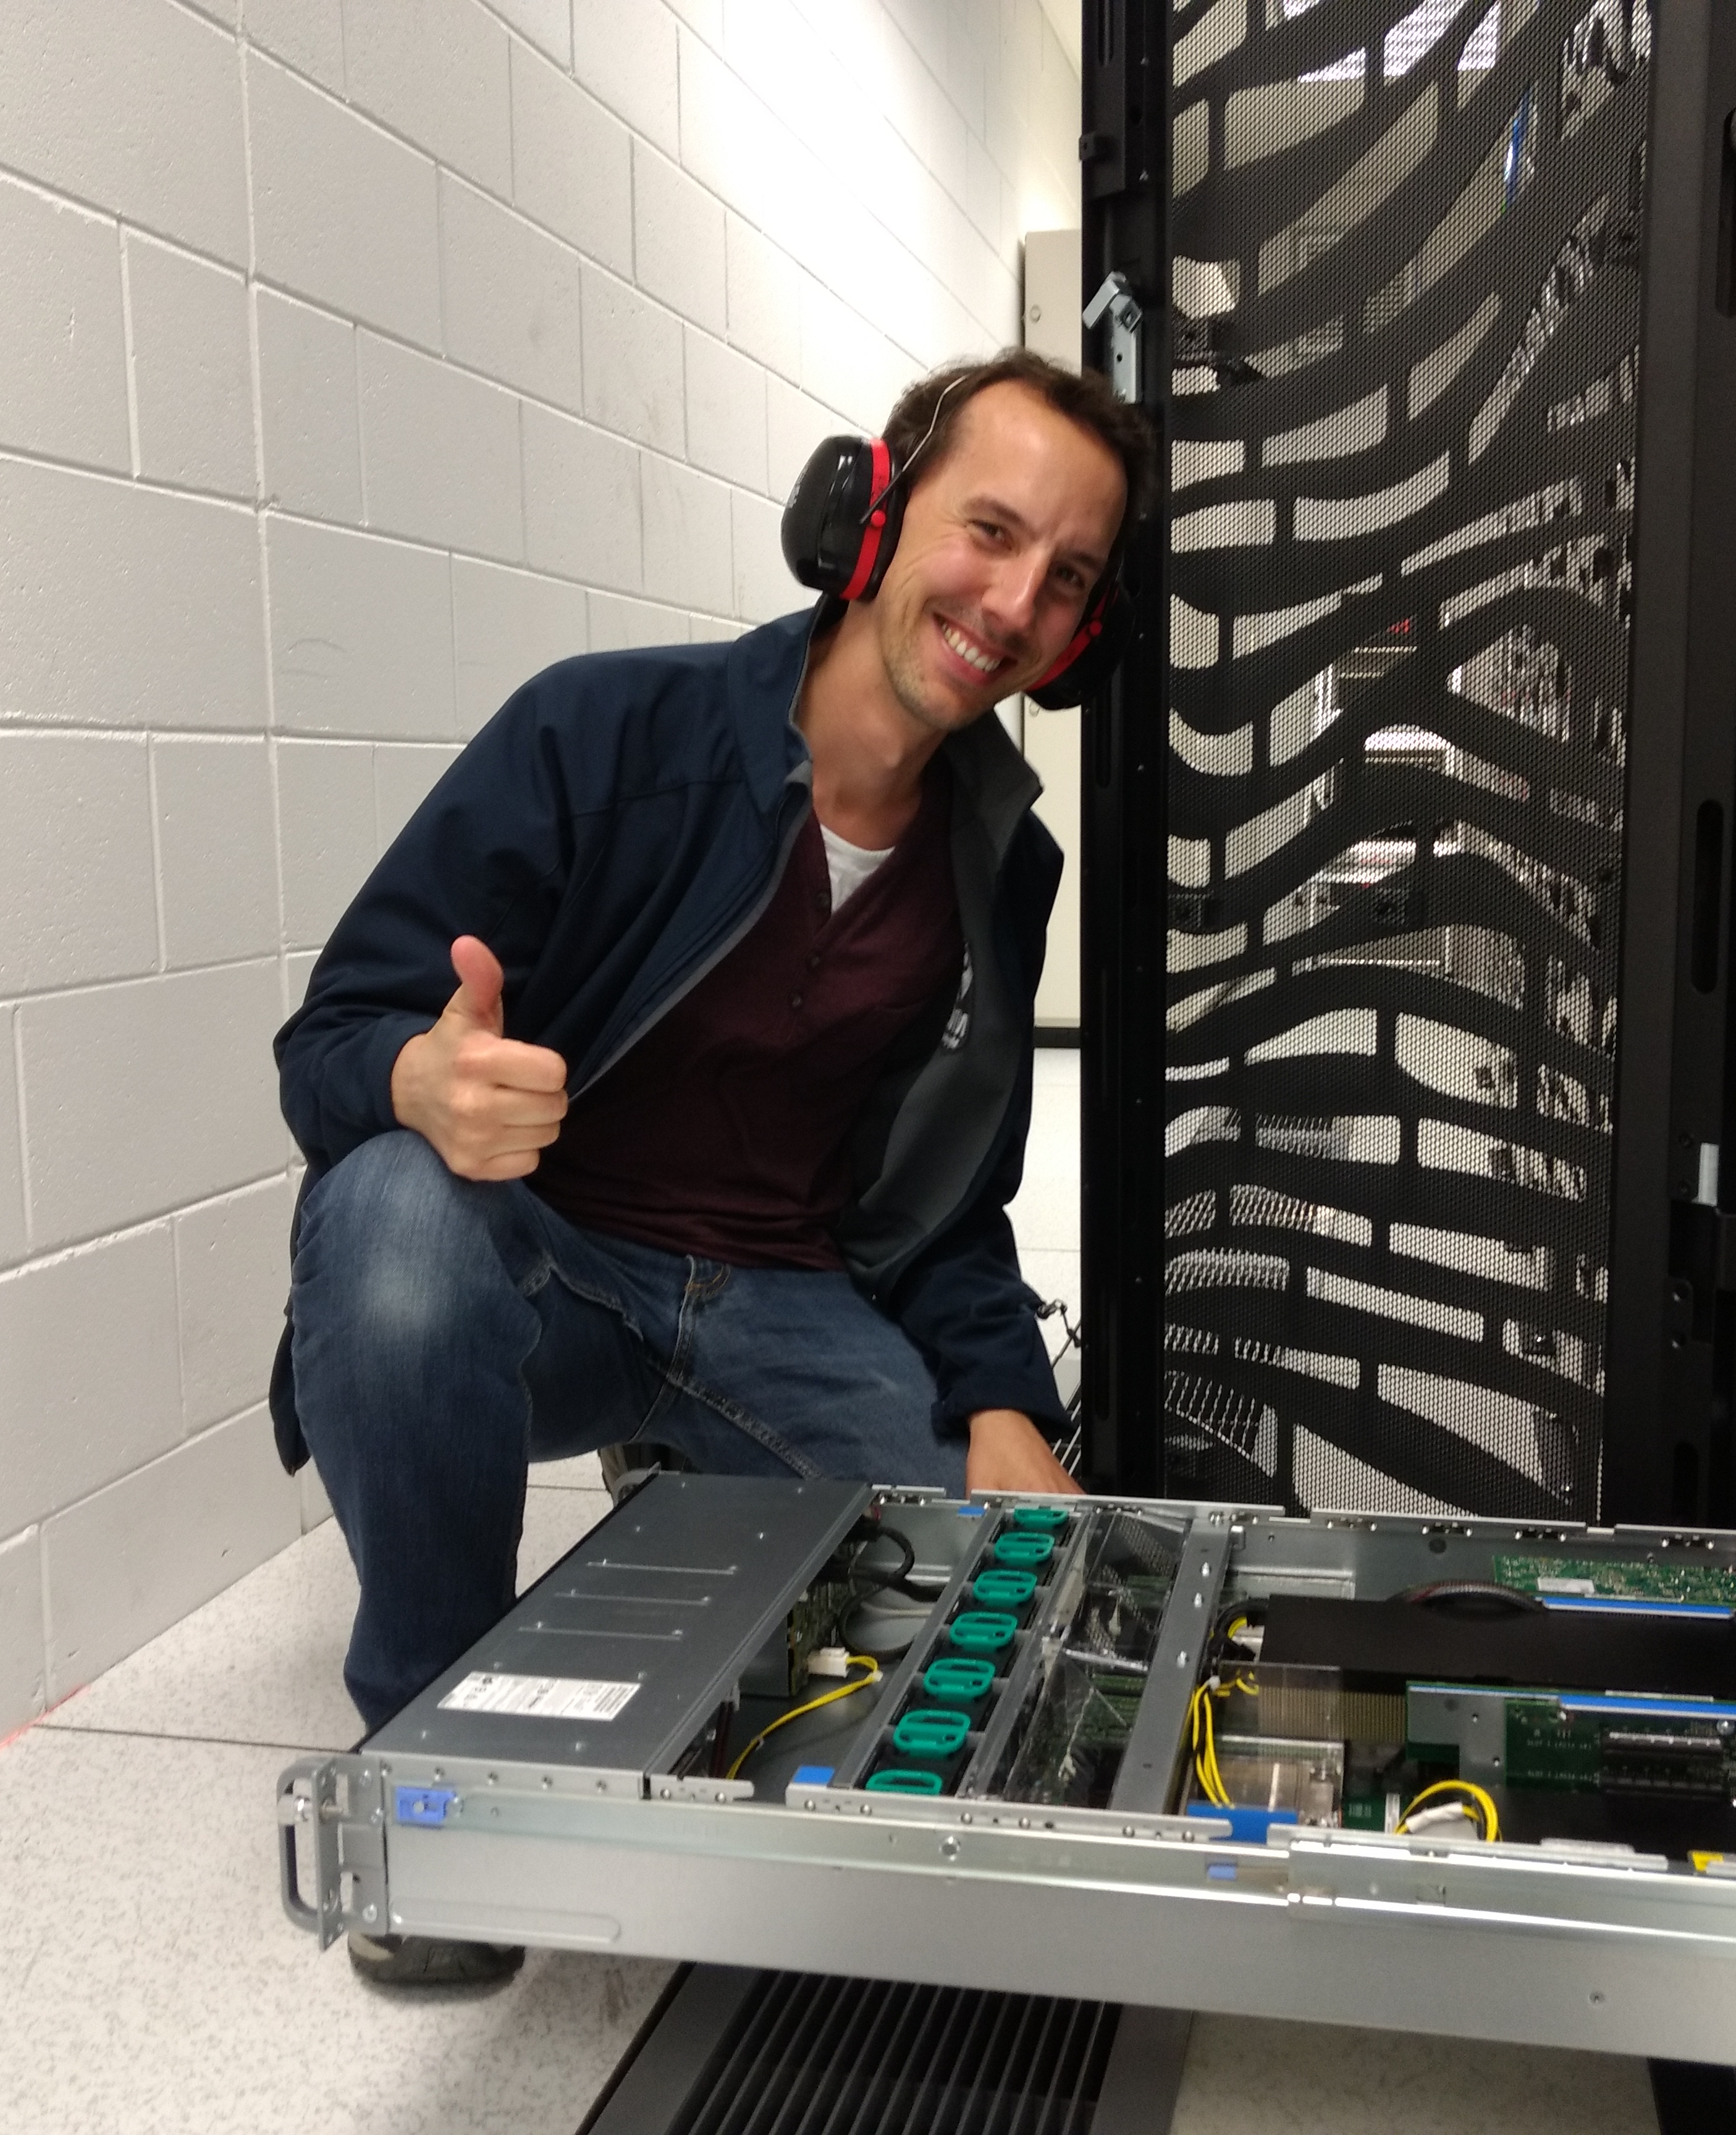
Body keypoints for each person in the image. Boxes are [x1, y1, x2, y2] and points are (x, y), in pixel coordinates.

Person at [266, 348, 1153, 1982]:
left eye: (1069, 577)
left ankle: (699, 1477)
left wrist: (1006, 1412)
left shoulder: (998, 863)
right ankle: (434, 1772)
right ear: (870, 513)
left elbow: (955, 1205)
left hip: (782, 1304)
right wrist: (421, 1076)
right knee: (389, 1212)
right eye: (992, 530)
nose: (1017, 600)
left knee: (977, 1606)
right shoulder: (602, 731)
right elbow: (329, 1041)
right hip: (539, 1274)